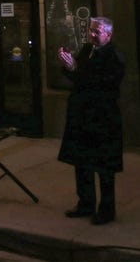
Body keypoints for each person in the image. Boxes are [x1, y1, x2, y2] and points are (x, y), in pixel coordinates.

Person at [58, 16, 125, 225]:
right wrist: (69, 65)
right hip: (82, 118)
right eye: (91, 30)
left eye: (97, 32)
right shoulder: (87, 50)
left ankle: (106, 210)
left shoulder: (114, 57)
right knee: (82, 164)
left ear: (108, 34)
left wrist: (75, 69)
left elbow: (100, 85)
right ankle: (85, 204)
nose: (92, 35)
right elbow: (78, 77)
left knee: (104, 168)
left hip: (102, 120)